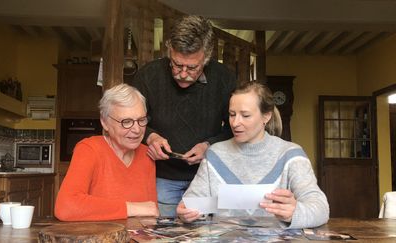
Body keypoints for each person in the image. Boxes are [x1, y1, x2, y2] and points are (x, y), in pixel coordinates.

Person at [177, 82, 329, 229]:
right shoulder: (215, 153)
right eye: (232, 114)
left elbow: (321, 209)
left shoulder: (291, 155)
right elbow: (192, 202)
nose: (235, 123)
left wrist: (295, 213)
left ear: (266, 116)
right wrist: (188, 211)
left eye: (245, 115)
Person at [130, 15, 236, 217]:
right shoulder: (148, 76)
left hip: (206, 176)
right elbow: (131, 122)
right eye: (177, 64)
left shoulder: (224, 78)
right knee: (161, 234)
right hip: (161, 176)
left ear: (206, 59)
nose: (183, 73)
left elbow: (235, 128)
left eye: (192, 67)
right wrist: (151, 137)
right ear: (170, 51)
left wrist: (210, 146)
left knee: (204, 235)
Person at [55, 84, 158, 221]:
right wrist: (131, 208)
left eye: (141, 120)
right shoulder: (89, 149)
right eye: (126, 122)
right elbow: (66, 207)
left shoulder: (147, 155)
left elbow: (151, 212)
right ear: (105, 122)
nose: (137, 130)